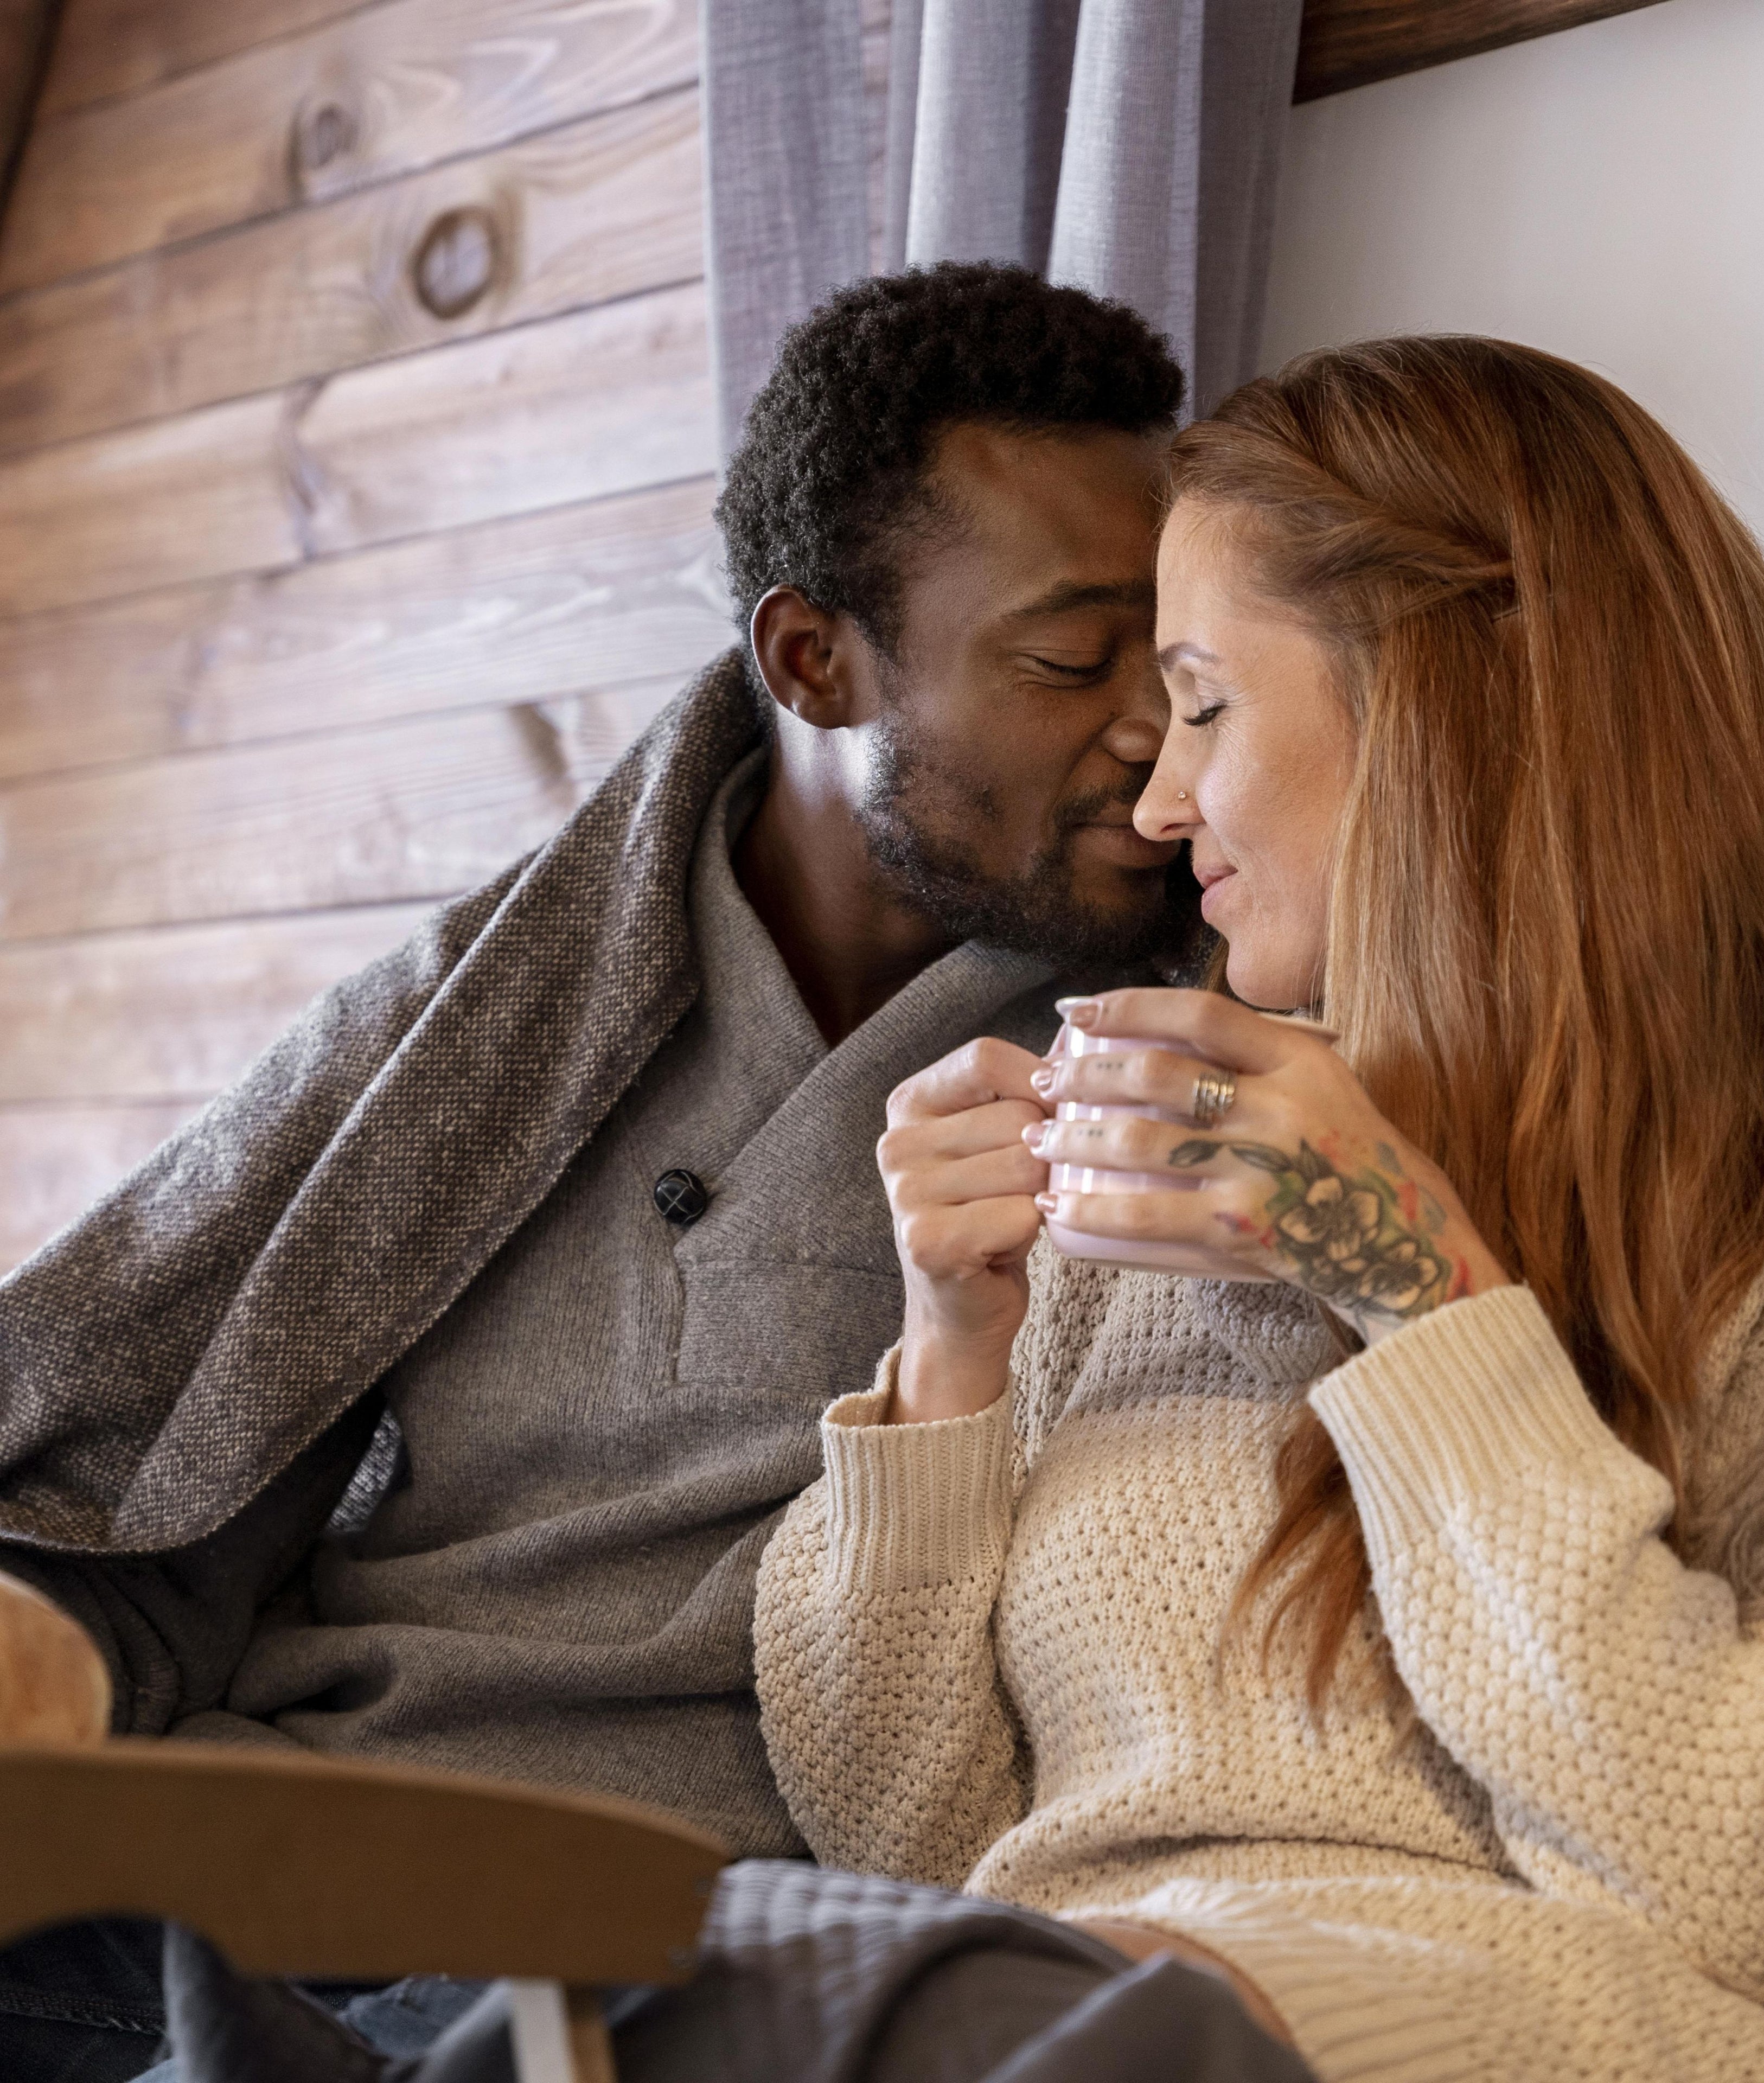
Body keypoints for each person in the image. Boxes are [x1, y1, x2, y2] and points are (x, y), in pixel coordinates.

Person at [749, 337, 1764, 2081]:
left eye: (1205, 699)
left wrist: (1424, 1297)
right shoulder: (1148, 1193)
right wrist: (950, 1362)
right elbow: (904, 1848)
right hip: (1036, 2022)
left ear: (1453, 698)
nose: (1158, 802)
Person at [0, 262, 1206, 2080]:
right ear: (811, 660)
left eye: (1175, 665)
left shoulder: (1185, 1033)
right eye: (1067, 660)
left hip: (674, 1928)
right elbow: (158, 1492)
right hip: (253, 1868)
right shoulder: (487, 1015)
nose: (1150, 733)